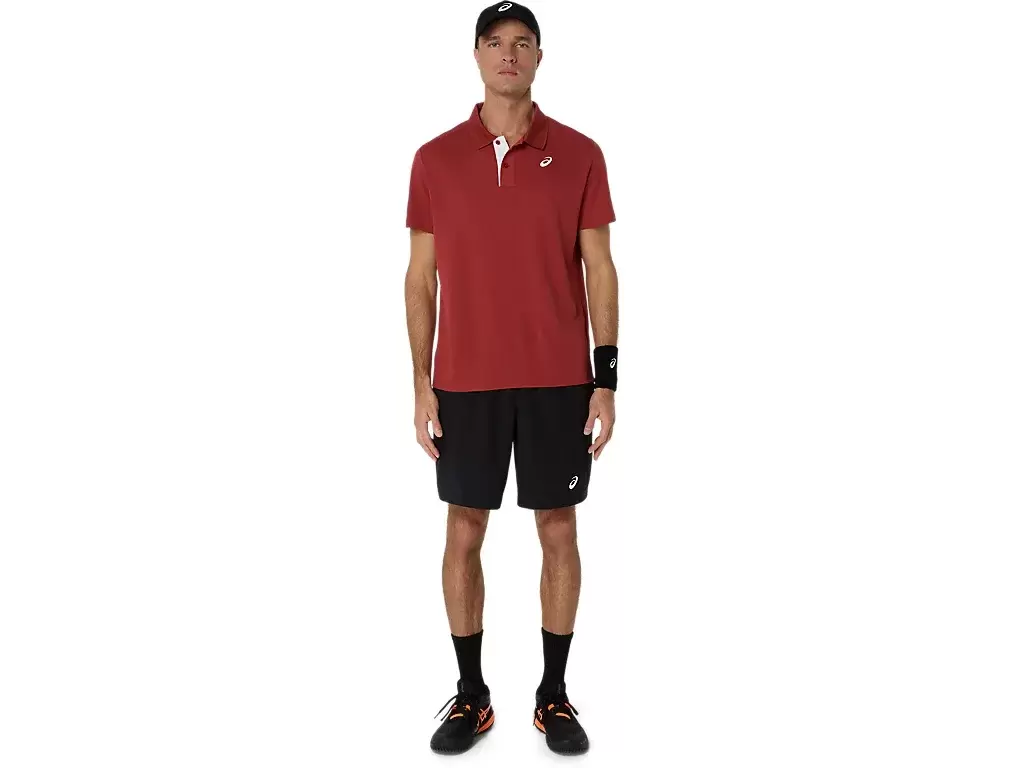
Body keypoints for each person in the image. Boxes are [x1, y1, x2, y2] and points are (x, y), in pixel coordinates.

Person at [404, 1, 619, 756]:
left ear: (538, 57)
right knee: (464, 528)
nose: (508, 54)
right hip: (465, 382)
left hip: (559, 379)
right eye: (494, 42)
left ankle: (552, 695)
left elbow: (600, 268)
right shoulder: (434, 159)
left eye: (522, 43)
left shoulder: (582, 154)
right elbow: (420, 277)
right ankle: (472, 696)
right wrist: (421, 383)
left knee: (558, 527)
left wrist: (606, 378)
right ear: (476, 56)